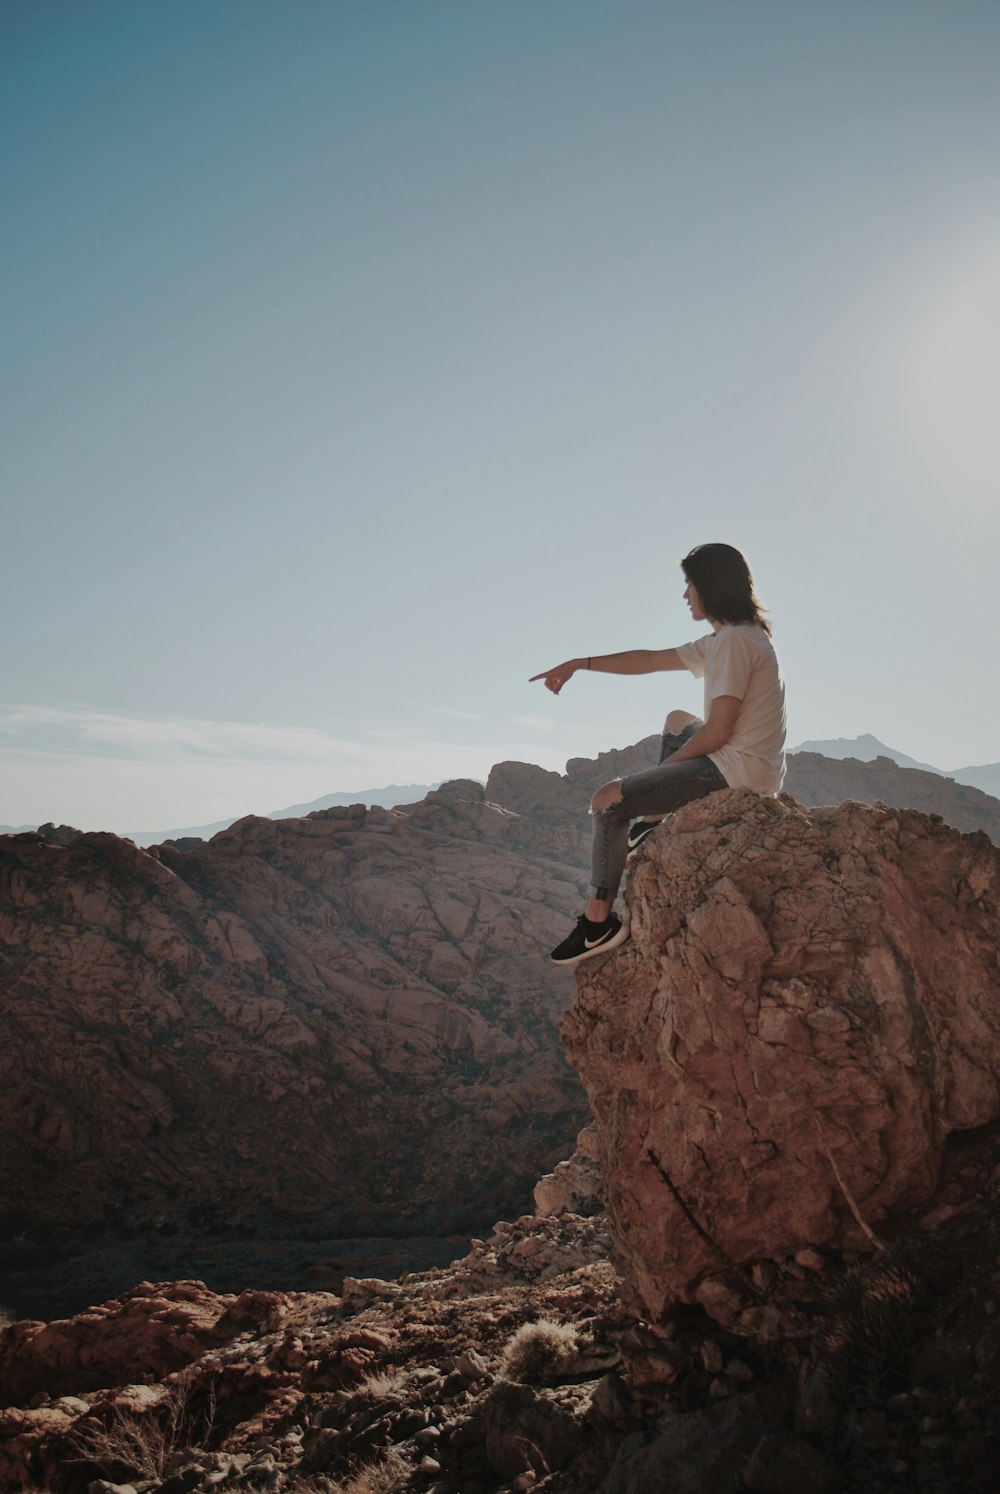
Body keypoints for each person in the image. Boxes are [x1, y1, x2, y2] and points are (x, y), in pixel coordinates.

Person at [530, 543, 786, 966]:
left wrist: (661, 773)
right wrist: (579, 663)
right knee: (677, 719)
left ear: (709, 585)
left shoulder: (735, 643)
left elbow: (720, 730)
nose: (685, 594)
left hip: (735, 770)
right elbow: (648, 660)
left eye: (689, 584)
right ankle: (651, 823)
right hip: (749, 764)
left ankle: (597, 925)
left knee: (606, 801)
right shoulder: (729, 638)